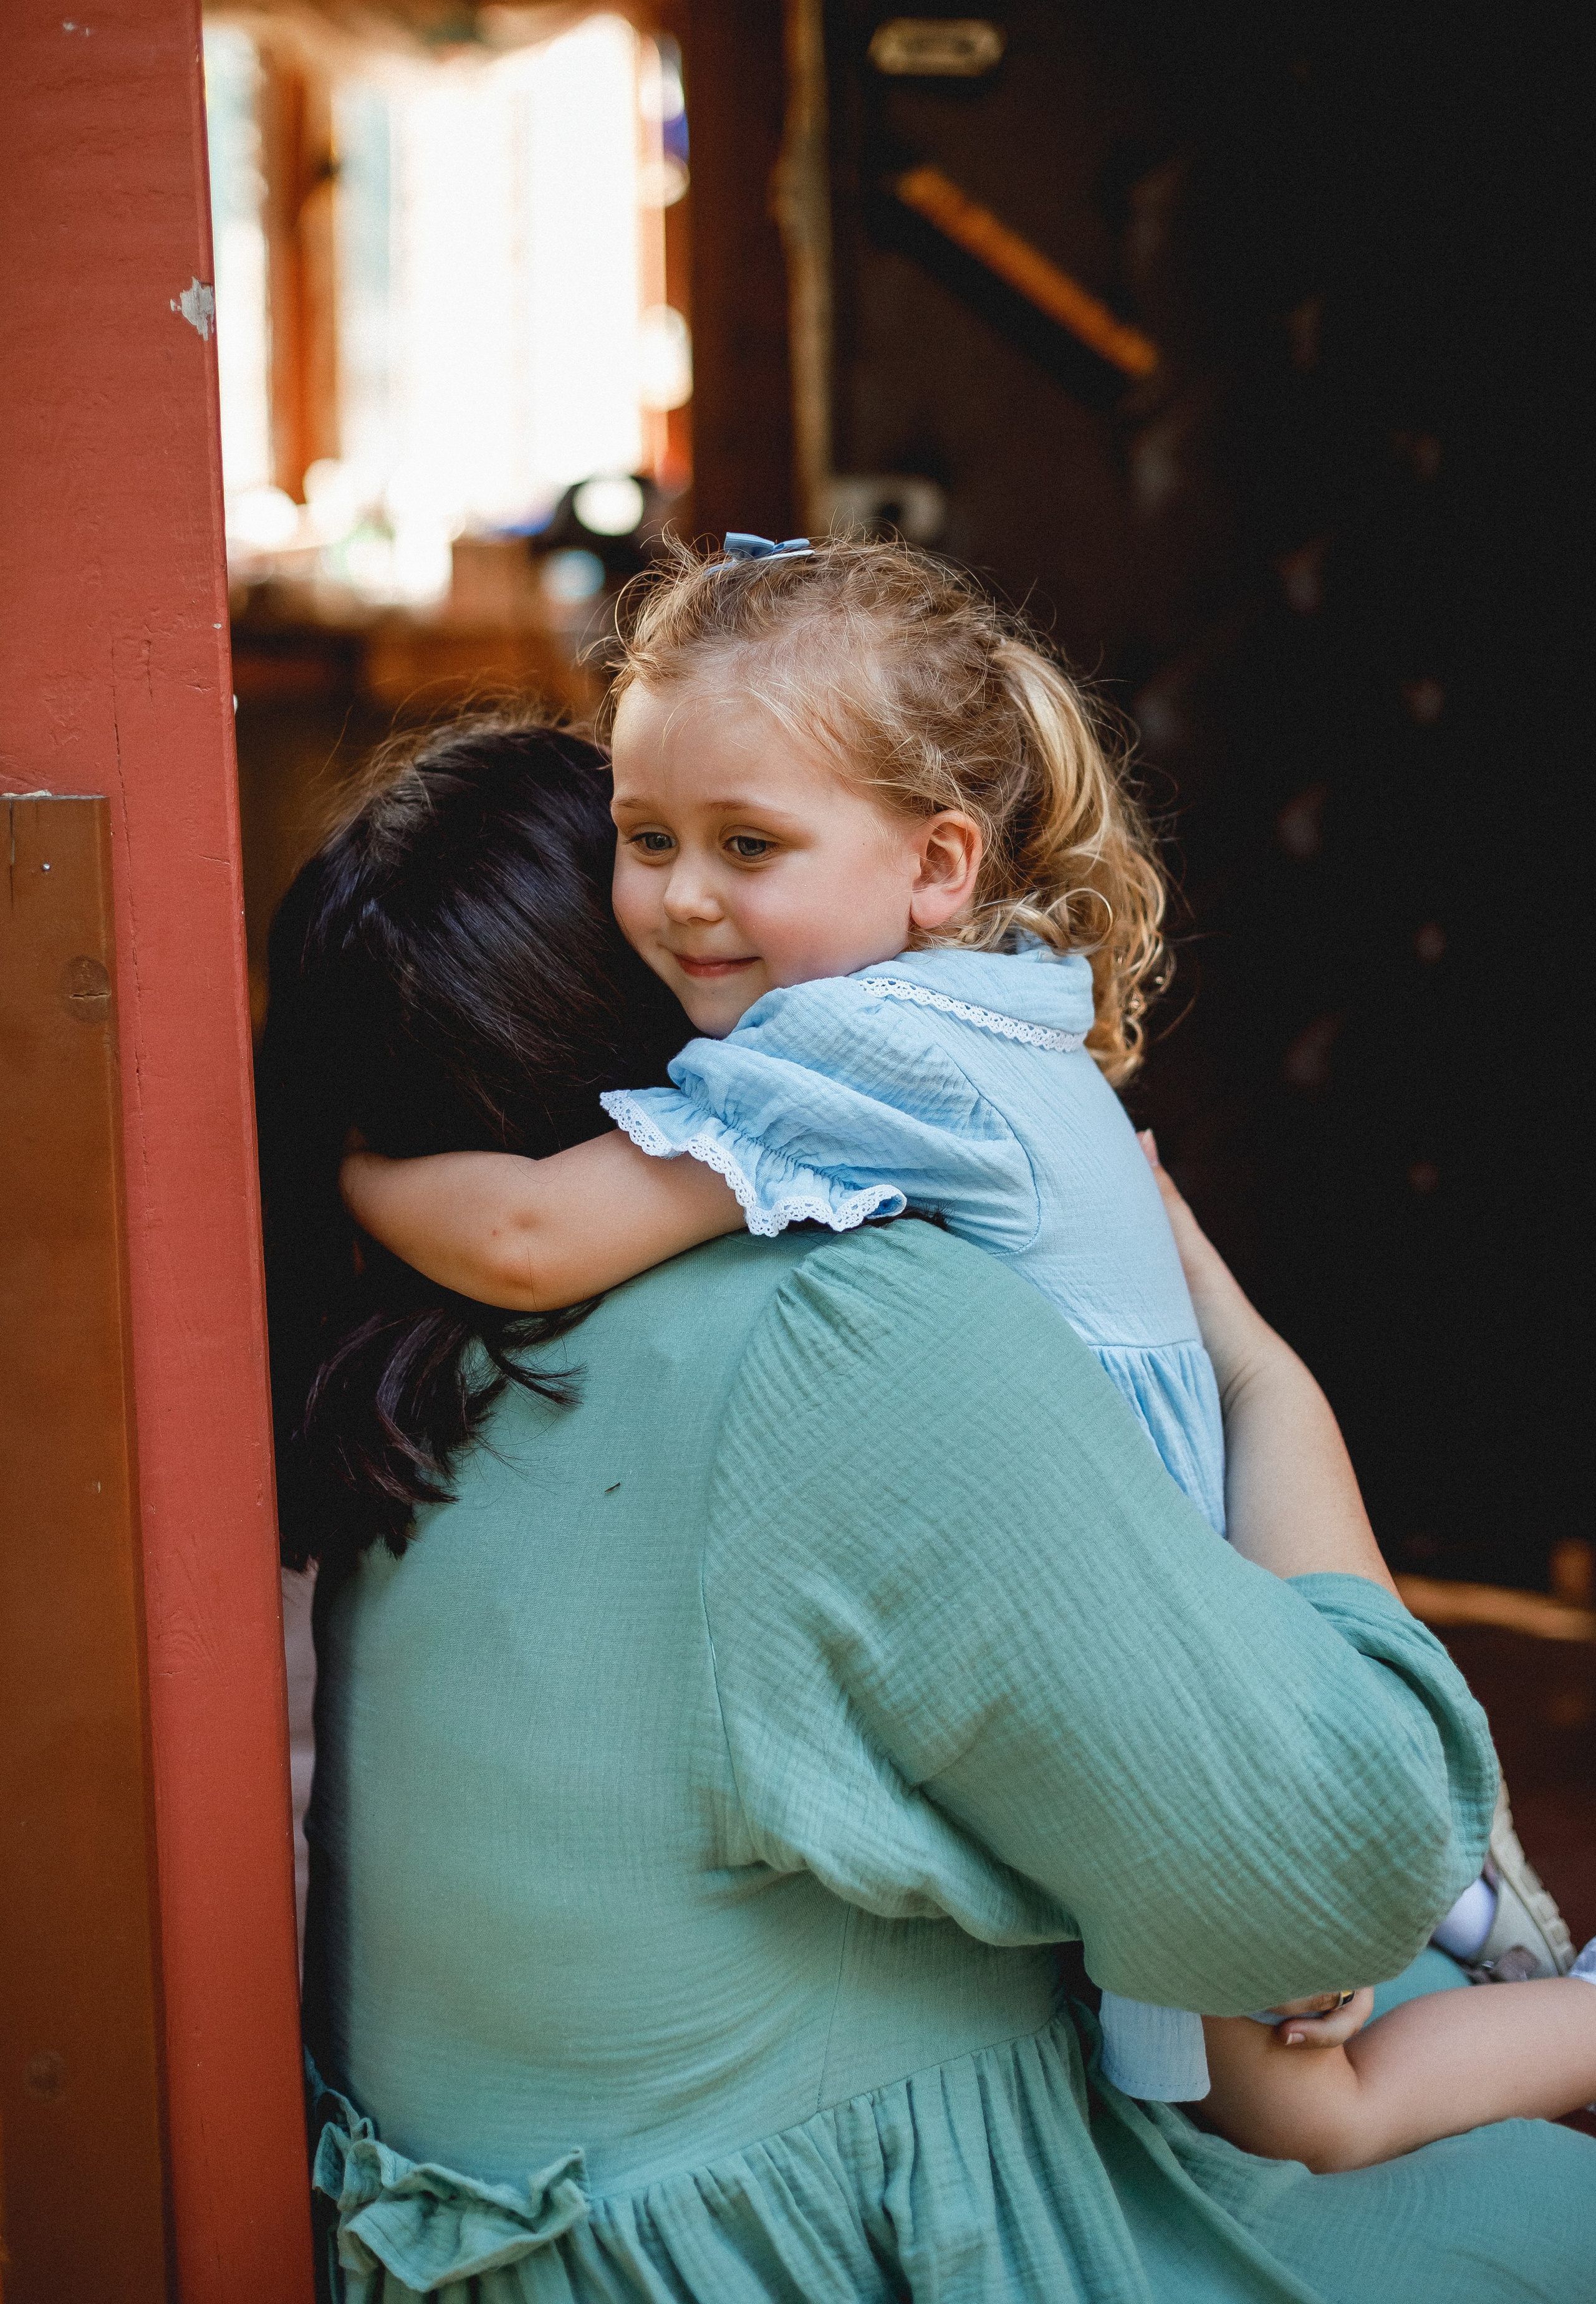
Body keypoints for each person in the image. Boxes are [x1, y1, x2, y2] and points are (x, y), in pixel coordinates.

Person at [267, 714, 1596, 2303]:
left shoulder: (414, 1370)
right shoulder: (836, 1328)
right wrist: (1252, 1373)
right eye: (653, 853)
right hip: (822, 2247)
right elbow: (1326, 1872)